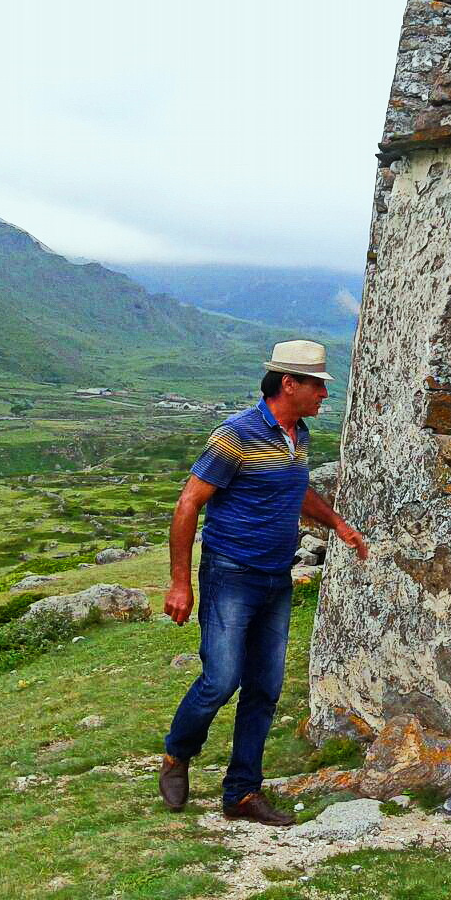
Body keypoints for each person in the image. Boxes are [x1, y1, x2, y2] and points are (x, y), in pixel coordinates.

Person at [159, 339, 369, 825]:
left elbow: (297, 489)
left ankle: (241, 794)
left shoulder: (300, 437)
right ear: (288, 383)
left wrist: (336, 523)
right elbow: (188, 503)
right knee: (221, 679)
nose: (324, 394)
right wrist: (180, 583)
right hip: (230, 573)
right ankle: (177, 753)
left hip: (277, 577)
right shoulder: (235, 436)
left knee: (265, 688)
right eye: (317, 384)